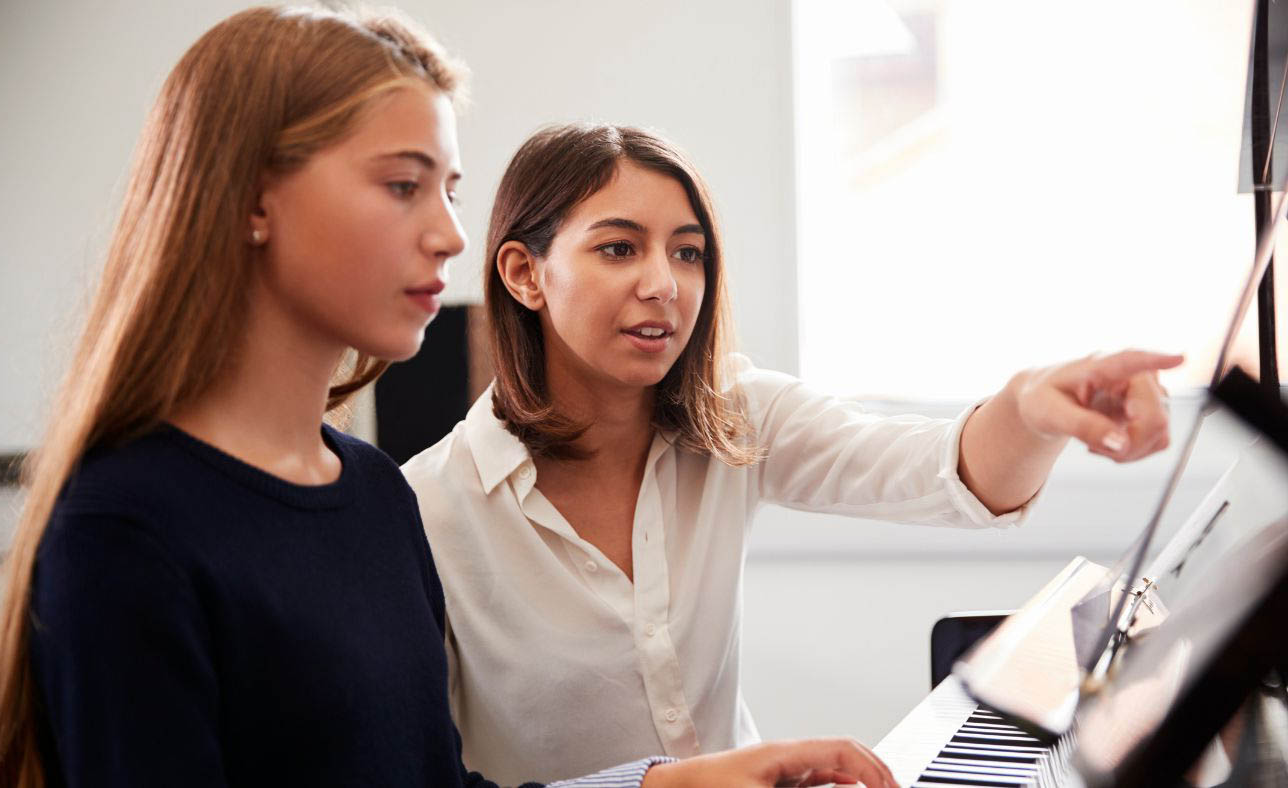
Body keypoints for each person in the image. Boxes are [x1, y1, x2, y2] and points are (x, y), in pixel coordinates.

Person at [0, 9, 897, 788]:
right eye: (402, 185)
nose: (450, 234)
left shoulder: (373, 495)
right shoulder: (127, 528)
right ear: (251, 201)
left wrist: (672, 782)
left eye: (449, 190)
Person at [400, 122, 1182, 782]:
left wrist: (1032, 410)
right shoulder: (426, 509)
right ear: (524, 273)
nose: (665, 284)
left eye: (688, 252)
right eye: (618, 249)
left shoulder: (734, 416)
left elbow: (942, 470)